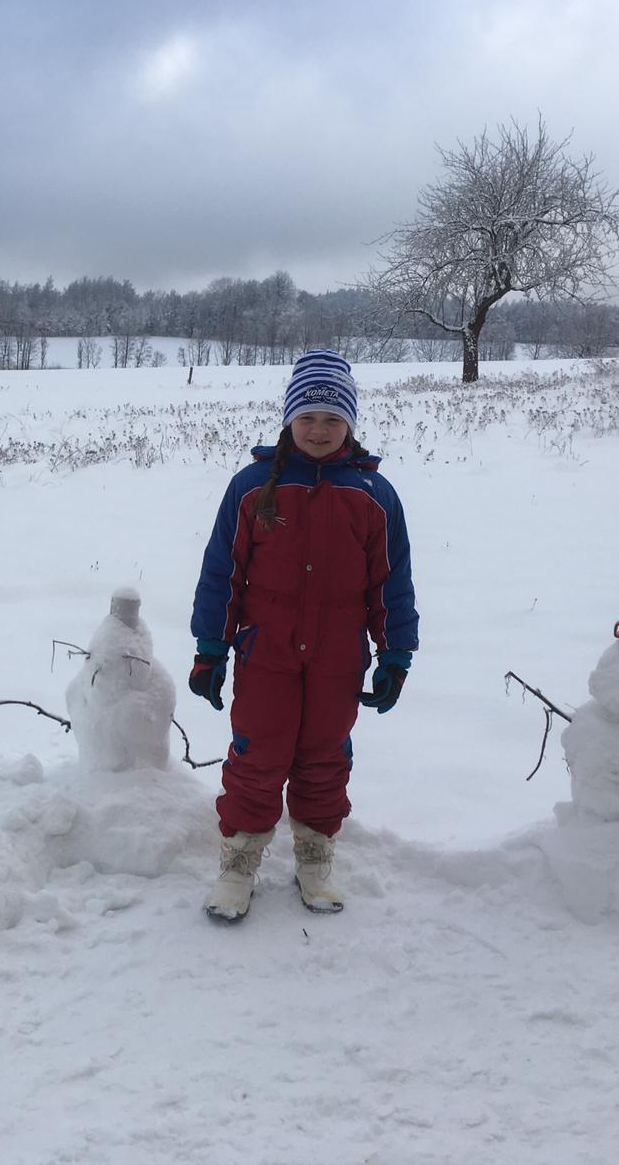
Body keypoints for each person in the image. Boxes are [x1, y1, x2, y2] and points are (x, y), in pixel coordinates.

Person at [188, 349, 418, 921]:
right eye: (309, 417)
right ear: (289, 419)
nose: (320, 430)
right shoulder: (251, 487)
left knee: (324, 755)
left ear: (351, 424)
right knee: (256, 752)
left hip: (339, 656)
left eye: (333, 419)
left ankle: (315, 858)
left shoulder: (373, 495)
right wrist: (211, 648)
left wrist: (395, 654)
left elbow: (392, 582)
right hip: (266, 652)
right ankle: (239, 864)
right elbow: (224, 572)